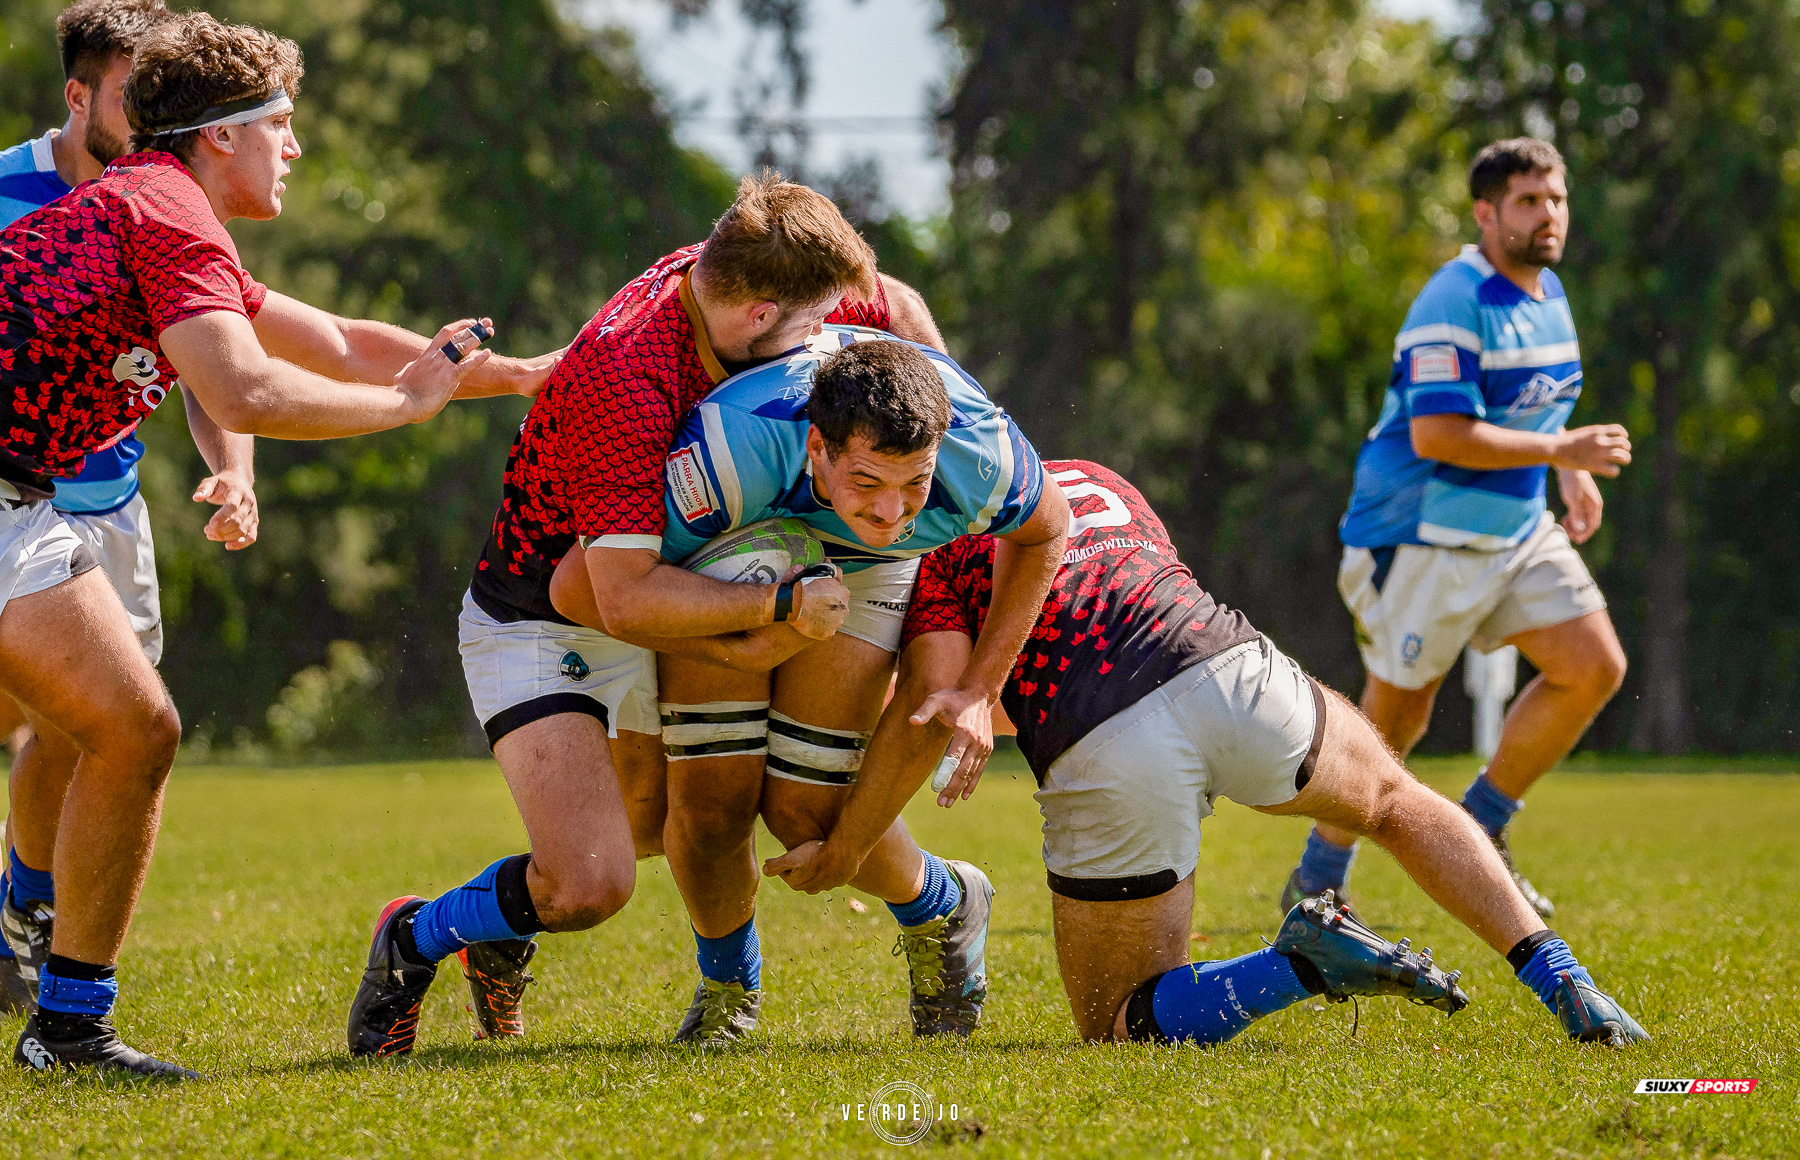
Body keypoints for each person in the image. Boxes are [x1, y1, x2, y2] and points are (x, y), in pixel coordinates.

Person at [2, 11, 555, 1078]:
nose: (294, 147)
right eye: (282, 124)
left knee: (129, 727)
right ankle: (68, 1025)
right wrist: (403, 411)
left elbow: (341, 344)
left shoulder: (155, 206)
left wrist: (519, 375)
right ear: (221, 133)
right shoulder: (167, 213)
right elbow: (245, 386)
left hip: (22, 502)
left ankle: (69, 1027)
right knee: (129, 727)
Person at [344, 174, 943, 1057]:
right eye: (812, 323)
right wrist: (778, 608)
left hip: (656, 587)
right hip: (545, 616)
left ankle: (525, 931)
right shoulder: (625, 374)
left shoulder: (736, 275)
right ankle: (418, 936)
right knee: (589, 884)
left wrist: (938, 389)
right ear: (755, 316)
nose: (825, 341)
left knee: (673, 825)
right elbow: (615, 598)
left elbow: (896, 305)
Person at [765, 459, 1648, 1049]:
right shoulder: (1098, 479)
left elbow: (938, 710)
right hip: (1226, 667)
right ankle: (1566, 982)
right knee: (1393, 801)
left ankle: (1297, 963)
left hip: (1103, 736)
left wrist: (846, 848)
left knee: (1117, 1022)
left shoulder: (939, 542)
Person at [551, 333, 1066, 1044]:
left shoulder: (982, 457)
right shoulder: (732, 451)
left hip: (866, 572)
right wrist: (764, 627)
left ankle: (944, 904)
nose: (892, 513)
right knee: (709, 811)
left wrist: (982, 686)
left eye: (914, 483)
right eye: (866, 482)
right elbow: (582, 592)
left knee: (811, 814)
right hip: (736, 541)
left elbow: (1049, 529)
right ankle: (729, 991)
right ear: (817, 449)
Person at [1280, 138, 1631, 920]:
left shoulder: (1548, 293)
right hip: (1419, 539)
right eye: (1530, 202)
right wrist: (1563, 451)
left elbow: (1543, 401)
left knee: (1594, 665)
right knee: (1397, 718)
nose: (1549, 217)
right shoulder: (1453, 299)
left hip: (1513, 531)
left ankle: (1485, 825)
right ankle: (1317, 874)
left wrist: (1565, 468)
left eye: (1558, 199)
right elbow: (1439, 434)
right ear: (1486, 212)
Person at [0, 0, 262, 1021]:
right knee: (101, 719)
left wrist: (234, 469)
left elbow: (215, 354)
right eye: (134, 96)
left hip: (102, 503)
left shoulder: (165, 203)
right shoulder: (14, 191)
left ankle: (26, 911)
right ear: (80, 96)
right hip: (18, 491)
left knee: (87, 726)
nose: (158, 117)